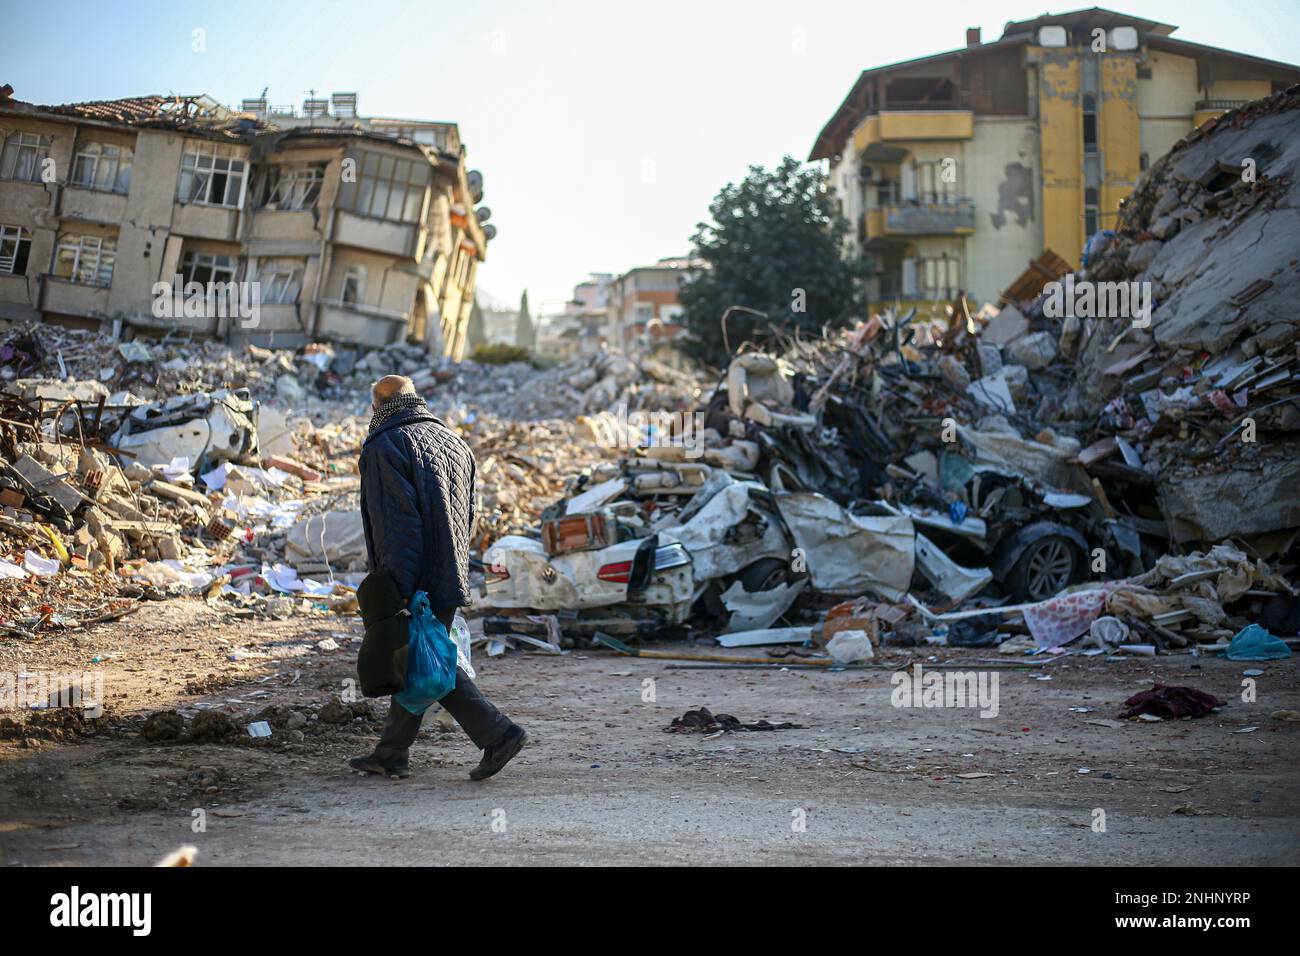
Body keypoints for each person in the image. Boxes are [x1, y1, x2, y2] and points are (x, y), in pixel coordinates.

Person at [349, 374, 526, 781]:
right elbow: (467, 517)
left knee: (430, 664)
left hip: (414, 579)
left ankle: (499, 733)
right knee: (419, 659)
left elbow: (397, 526)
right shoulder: (454, 443)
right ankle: (391, 753)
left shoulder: (384, 446)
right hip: (450, 572)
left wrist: (397, 590)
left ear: (377, 408)